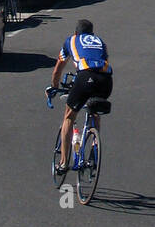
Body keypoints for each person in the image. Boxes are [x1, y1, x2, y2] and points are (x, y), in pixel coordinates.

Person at [46, 19, 113, 176]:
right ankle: (93, 153)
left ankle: (63, 163)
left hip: (85, 76)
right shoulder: (100, 42)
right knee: (95, 112)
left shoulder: (71, 40)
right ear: (92, 33)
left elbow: (57, 70)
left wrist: (55, 87)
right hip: (106, 80)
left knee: (69, 116)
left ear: (76, 32)